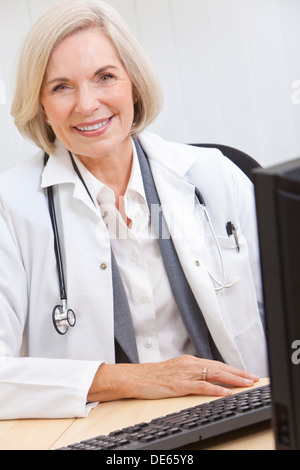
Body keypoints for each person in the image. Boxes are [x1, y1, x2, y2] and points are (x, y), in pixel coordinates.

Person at [0, 0, 267, 419]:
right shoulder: (10, 207)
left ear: (134, 84)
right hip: (97, 433)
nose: (87, 104)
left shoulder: (213, 175)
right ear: (41, 106)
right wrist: (129, 379)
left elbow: (285, 313)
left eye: (104, 77)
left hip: (231, 413)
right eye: (61, 86)